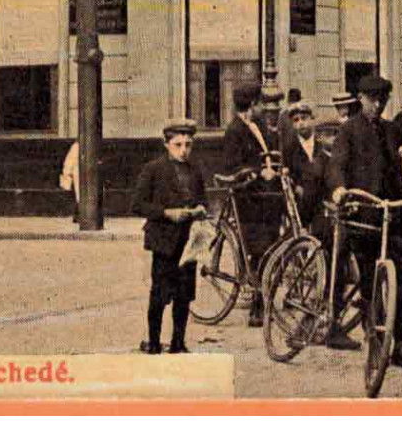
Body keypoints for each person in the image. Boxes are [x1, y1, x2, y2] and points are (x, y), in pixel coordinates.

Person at [322, 74, 402, 373]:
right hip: (365, 217)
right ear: (361, 99)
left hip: (393, 216)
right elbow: (336, 164)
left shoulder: (393, 130)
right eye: (372, 99)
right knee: (369, 287)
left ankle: (401, 345)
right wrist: (339, 189)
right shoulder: (349, 131)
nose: (377, 105)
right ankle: (375, 343)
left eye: (382, 100)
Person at [130, 118, 208, 355]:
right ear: (166, 144)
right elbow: (137, 205)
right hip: (164, 242)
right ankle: (154, 342)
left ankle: (178, 342)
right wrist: (166, 213)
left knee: (184, 295)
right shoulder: (153, 169)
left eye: (188, 145)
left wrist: (201, 210)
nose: (184, 150)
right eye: (178, 145)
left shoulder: (195, 170)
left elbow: (202, 199)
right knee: (160, 294)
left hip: (188, 243)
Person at [222, 83, 282, 327]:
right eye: (260, 103)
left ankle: (264, 297)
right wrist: (259, 173)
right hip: (249, 199)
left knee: (272, 246)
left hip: (266, 196)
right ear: (252, 105)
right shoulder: (234, 131)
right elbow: (233, 166)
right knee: (259, 250)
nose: (264, 107)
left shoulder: (257, 127)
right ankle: (257, 307)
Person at [281, 101, 328, 234]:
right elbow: (287, 173)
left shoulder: (322, 142)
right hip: (302, 202)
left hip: (323, 198)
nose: (301, 123)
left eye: (304, 118)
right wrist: (296, 186)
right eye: (296, 120)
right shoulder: (290, 148)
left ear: (312, 120)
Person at [59, 141, 80, 225]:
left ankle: (78, 215)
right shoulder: (76, 146)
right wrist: (67, 173)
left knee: (79, 195)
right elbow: (70, 161)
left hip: (80, 172)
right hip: (78, 172)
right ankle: (78, 215)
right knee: (79, 195)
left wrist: (67, 172)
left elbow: (68, 162)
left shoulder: (76, 146)